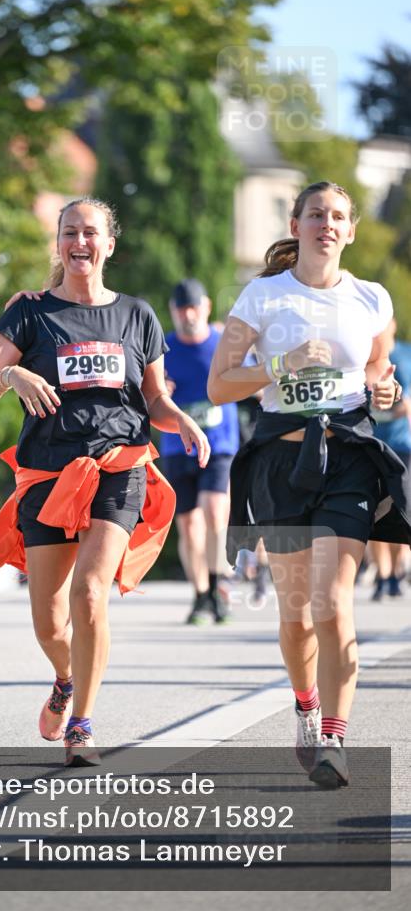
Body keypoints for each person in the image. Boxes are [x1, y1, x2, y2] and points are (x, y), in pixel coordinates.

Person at [0, 196, 209, 766]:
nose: (81, 241)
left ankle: (82, 725)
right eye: (70, 232)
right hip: (49, 471)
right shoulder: (29, 313)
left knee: (90, 593)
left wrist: (184, 421)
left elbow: (153, 399)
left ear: (109, 244)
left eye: (91, 232)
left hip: (118, 467)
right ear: (58, 243)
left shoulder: (137, 315)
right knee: (51, 621)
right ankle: (64, 679)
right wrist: (10, 372)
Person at [207, 181, 410, 788]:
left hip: (346, 458)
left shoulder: (372, 298)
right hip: (281, 463)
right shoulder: (265, 296)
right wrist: (279, 366)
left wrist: (388, 394)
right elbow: (220, 385)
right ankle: (305, 706)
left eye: (339, 216)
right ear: (295, 225)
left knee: (333, 603)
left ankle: (335, 739)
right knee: (297, 614)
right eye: (316, 214)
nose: (327, 223)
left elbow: (382, 376)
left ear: (350, 230)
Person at [161, 279, 240, 624]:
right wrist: (158, 388)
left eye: (194, 308)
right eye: (181, 309)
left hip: (219, 444)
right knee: (189, 525)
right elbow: (146, 393)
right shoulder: (163, 348)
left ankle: (219, 583)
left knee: (214, 511)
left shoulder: (224, 344)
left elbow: (253, 374)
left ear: (206, 307)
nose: (188, 315)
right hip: (178, 447)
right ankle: (200, 595)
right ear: (173, 312)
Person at [369, 318, 411, 598]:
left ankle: (397, 571)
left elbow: (406, 401)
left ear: (393, 325)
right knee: (374, 513)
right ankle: (383, 575)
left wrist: (391, 407)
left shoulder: (404, 356)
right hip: (372, 445)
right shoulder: (367, 357)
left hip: (401, 445)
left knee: (401, 511)